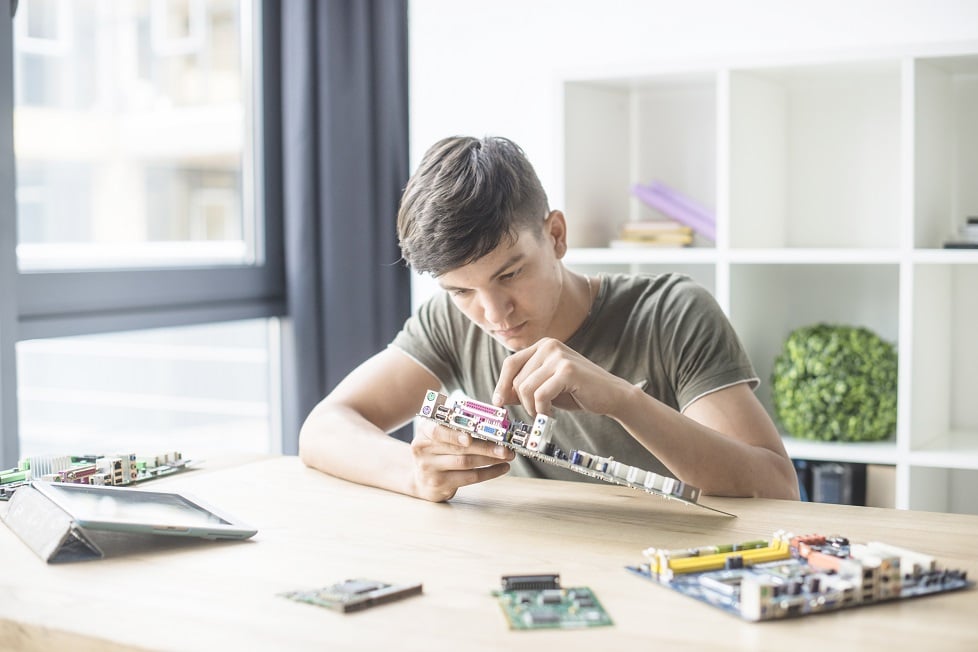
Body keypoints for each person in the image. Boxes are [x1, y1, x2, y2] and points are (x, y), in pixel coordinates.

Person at [299, 135, 799, 503]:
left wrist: (623, 401)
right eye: (461, 291)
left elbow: (777, 487)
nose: (494, 315)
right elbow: (323, 427)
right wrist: (415, 473)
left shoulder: (671, 312)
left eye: (511, 274)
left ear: (556, 235)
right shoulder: (449, 324)